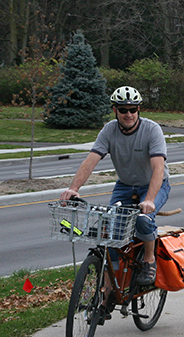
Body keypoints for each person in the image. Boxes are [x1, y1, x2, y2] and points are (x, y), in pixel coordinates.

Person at [60, 86, 170, 285]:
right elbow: (90, 161)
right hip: (125, 185)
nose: (128, 114)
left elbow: (158, 169)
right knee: (111, 233)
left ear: (138, 110)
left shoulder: (152, 130)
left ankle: (148, 259)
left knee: (144, 219)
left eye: (133, 109)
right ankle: (110, 291)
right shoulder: (109, 130)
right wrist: (73, 189)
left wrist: (150, 200)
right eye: (123, 109)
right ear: (115, 111)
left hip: (153, 185)